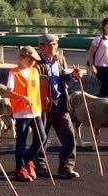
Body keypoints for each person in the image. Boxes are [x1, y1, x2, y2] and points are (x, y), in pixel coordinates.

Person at [34, 33, 82, 179]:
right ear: (40, 46)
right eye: (50, 44)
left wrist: (73, 76)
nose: (53, 47)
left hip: (60, 103)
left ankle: (66, 166)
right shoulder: (35, 62)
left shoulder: (60, 59)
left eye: (55, 44)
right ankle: (39, 164)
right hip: (43, 104)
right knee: (42, 137)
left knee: (69, 136)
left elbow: (63, 77)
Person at [7, 46, 46, 182]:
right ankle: (19, 168)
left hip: (35, 109)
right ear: (22, 58)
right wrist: (23, 98)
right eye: (30, 60)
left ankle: (28, 159)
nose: (32, 63)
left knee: (42, 136)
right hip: (21, 112)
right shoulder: (14, 73)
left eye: (34, 60)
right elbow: (9, 92)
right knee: (21, 140)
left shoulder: (35, 71)